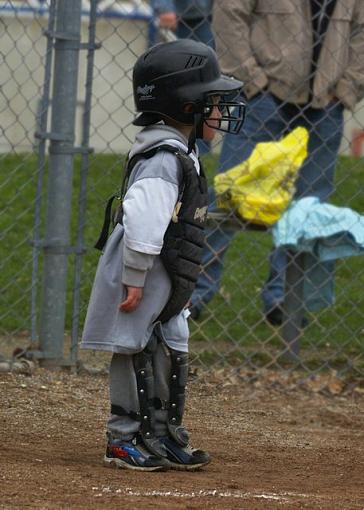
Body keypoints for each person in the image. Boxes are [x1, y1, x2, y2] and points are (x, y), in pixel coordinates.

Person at [81, 39, 245, 471]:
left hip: (162, 269)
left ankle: (163, 433)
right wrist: (135, 278)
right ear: (185, 104)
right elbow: (143, 222)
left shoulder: (183, 151)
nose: (219, 110)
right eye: (212, 101)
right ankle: (123, 438)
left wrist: (177, 286)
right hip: (143, 267)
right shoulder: (163, 159)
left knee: (171, 344)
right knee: (134, 346)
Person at [190, 0, 364, 324]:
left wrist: (348, 87)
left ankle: (283, 298)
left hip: (325, 104)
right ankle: (195, 292)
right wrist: (252, 81)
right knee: (229, 194)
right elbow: (230, 14)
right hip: (262, 99)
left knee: (307, 207)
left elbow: (360, 33)